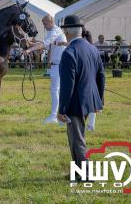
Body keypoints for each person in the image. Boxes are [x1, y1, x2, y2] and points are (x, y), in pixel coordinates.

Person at [57, 15, 105, 180]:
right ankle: (77, 172)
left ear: (68, 31)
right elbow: (101, 75)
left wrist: (62, 109)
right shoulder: (93, 49)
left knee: (77, 139)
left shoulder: (69, 52)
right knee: (76, 137)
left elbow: (67, 85)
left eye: (64, 30)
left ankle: (85, 174)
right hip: (90, 99)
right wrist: (100, 101)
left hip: (75, 102)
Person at [25, 14, 67, 124]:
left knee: (56, 91)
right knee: (56, 91)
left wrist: (30, 50)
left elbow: (45, 43)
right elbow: (46, 45)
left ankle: (55, 116)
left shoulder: (55, 31)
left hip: (59, 65)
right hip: (56, 65)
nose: (44, 26)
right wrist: (32, 44)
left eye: (45, 24)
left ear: (51, 22)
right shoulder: (52, 32)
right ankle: (57, 115)